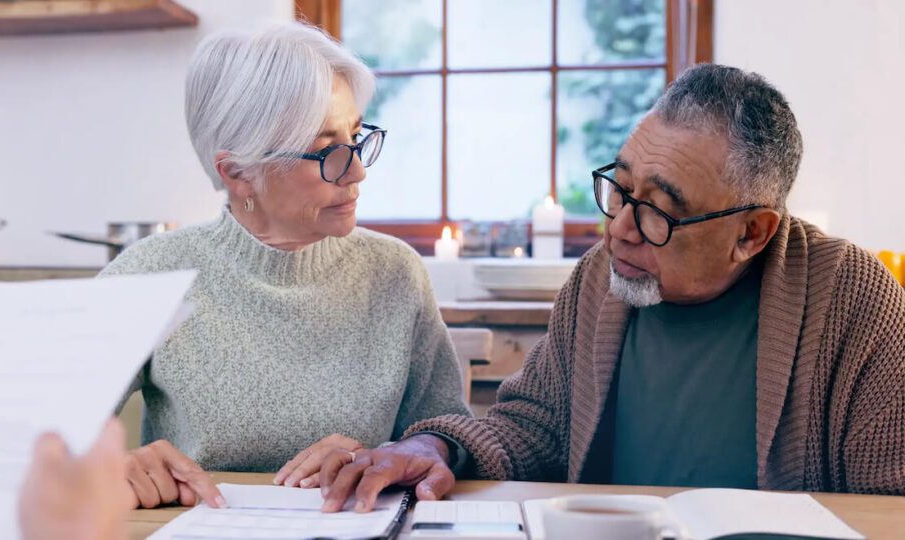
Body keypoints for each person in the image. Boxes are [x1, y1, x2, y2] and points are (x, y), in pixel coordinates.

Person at [318, 64, 905, 513]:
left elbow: (888, 505)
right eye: (620, 189)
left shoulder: (853, 299)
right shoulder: (603, 277)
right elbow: (531, 425)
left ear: (751, 233)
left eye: (660, 213)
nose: (619, 228)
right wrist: (434, 449)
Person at [98, 21, 470, 509]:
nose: (357, 170)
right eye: (325, 151)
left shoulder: (394, 271)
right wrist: (109, 468)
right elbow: (35, 437)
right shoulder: (152, 275)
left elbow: (448, 431)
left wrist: (402, 453)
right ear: (238, 174)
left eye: (357, 137)